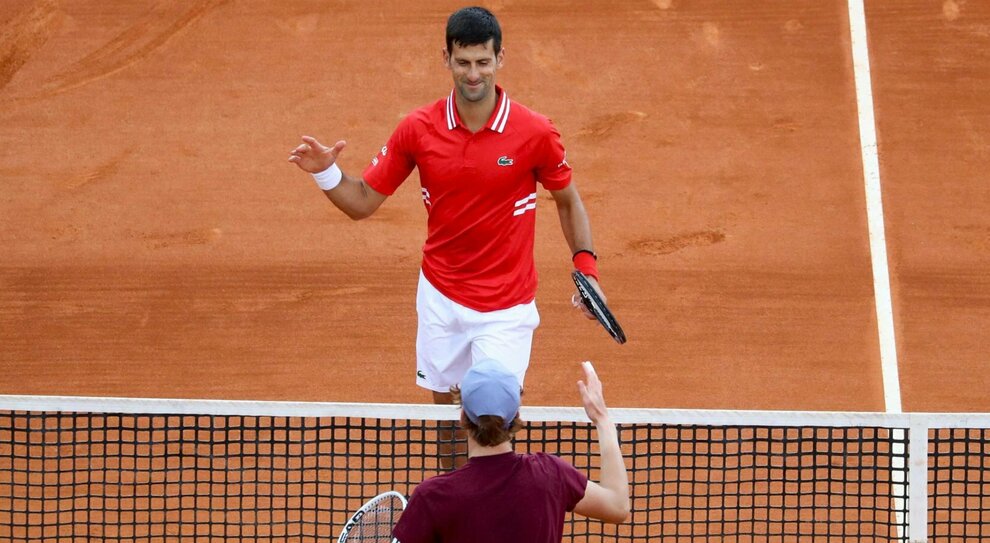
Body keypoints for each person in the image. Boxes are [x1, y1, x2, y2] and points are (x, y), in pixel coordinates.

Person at [288, 6, 606, 406]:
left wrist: (587, 270)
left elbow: (568, 201)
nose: (473, 74)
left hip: (506, 307)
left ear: (500, 59)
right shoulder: (418, 129)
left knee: (494, 416)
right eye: (463, 63)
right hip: (441, 299)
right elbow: (363, 202)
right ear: (446, 59)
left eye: (483, 62)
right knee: (450, 424)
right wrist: (326, 174)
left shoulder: (536, 133)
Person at [391, 359, 630, 542]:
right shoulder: (550, 475)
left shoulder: (432, 497)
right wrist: (601, 418)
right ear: (516, 415)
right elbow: (617, 506)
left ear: (463, 416)